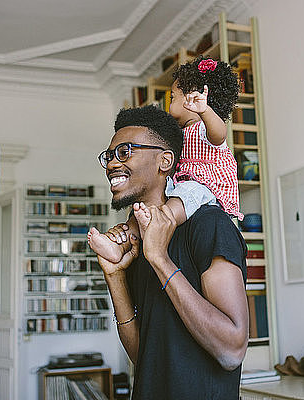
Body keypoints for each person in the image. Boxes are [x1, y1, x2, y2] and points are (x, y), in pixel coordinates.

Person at [94, 105, 248, 400]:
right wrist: (114, 275)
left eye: (125, 152)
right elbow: (144, 356)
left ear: (165, 161)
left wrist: (160, 259)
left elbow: (232, 350)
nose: (112, 164)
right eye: (109, 156)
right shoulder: (137, 244)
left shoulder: (210, 225)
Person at [88, 56, 241, 263]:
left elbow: (220, 134)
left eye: (173, 98)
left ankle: (159, 223)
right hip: (180, 183)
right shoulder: (179, 133)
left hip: (205, 188)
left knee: (186, 193)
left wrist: (205, 111)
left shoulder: (205, 128)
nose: (170, 103)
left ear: (192, 101)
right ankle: (120, 245)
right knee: (142, 206)